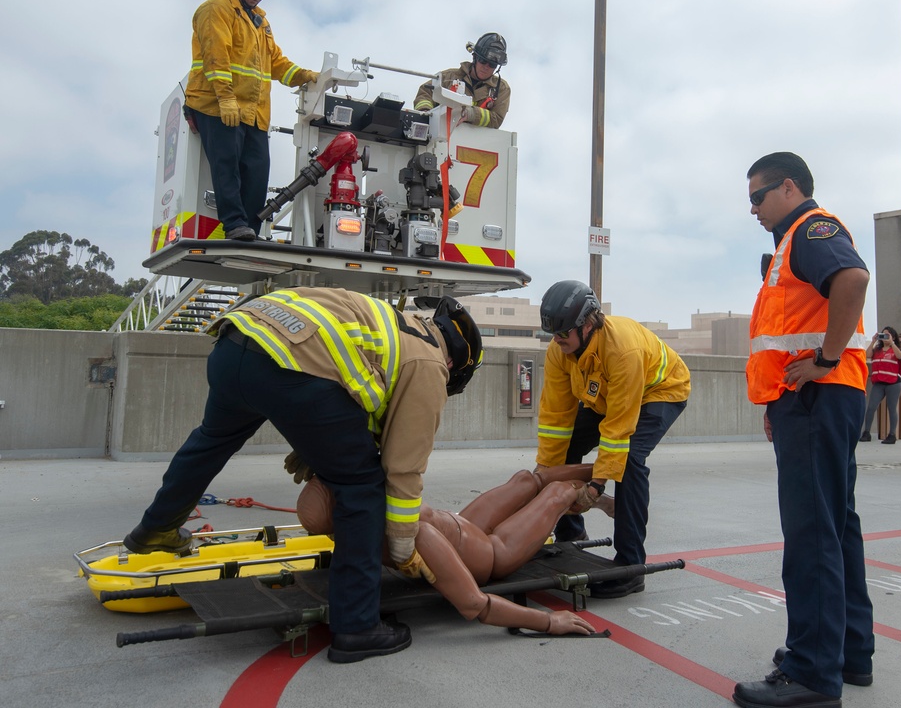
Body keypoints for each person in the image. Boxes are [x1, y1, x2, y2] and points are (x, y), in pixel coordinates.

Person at [121, 289, 483, 665]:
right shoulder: (429, 363)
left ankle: (155, 530)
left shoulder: (394, 324)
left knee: (212, 439)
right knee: (361, 487)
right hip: (289, 367)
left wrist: (317, 443)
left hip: (236, 340)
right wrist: (404, 548)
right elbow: (403, 469)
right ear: (458, 365)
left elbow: (351, 386)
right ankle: (358, 628)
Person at [735, 152, 874, 708]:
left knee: (813, 531)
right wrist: (775, 401)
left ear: (788, 188)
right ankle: (847, 653)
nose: (753, 210)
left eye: (757, 197)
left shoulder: (810, 231)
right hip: (813, 400)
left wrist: (825, 357)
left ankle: (813, 673)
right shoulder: (790, 244)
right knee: (837, 525)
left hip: (819, 396)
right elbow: (786, 333)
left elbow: (853, 278)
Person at [295, 463, 612, 636]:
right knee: (557, 493)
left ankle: (607, 468)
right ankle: (597, 494)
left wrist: (608, 466)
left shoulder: (359, 506)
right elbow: (475, 605)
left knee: (526, 479)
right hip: (493, 552)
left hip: (464, 523)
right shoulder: (412, 536)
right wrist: (548, 622)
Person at [533, 280, 690, 599]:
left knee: (630, 460)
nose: (557, 340)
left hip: (659, 392)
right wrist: (545, 470)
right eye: (553, 333)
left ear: (587, 324)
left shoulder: (622, 349)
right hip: (606, 397)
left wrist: (596, 486)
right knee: (570, 446)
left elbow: (618, 429)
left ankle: (630, 566)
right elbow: (556, 418)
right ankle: (570, 536)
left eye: (563, 332)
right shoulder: (559, 352)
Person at [184, 0, 318, 242]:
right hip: (216, 104)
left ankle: (250, 230)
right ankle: (233, 224)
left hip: (253, 112)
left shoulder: (260, 23)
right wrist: (226, 99)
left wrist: (303, 75)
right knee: (227, 165)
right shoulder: (215, 10)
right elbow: (216, 58)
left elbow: (276, 62)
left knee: (258, 172)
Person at [413, 33, 511, 128]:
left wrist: (471, 113)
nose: (486, 67)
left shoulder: (501, 89)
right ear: (475, 58)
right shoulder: (448, 77)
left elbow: (497, 119)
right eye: (483, 61)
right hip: (441, 138)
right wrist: (425, 112)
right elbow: (425, 92)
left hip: (475, 142)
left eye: (492, 65)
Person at [860, 326, 901, 445]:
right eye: (883, 335)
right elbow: (867, 354)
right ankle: (866, 432)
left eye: (887, 335)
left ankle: (892, 434)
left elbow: (900, 356)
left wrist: (892, 343)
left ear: (893, 337)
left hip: (893, 382)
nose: (884, 337)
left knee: (891, 408)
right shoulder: (877, 349)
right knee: (871, 407)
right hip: (879, 382)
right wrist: (874, 341)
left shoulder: (895, 349)